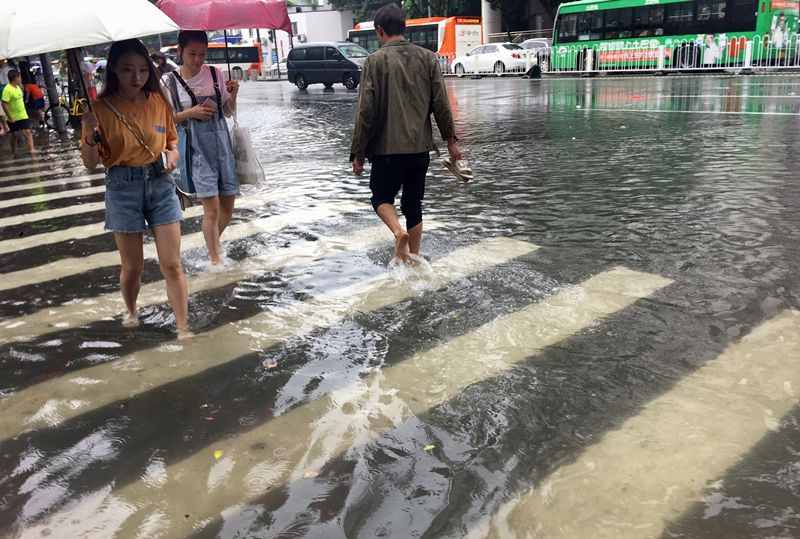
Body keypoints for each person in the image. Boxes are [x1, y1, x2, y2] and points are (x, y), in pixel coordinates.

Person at [80, 39, 190, 338]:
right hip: (121, 187)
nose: (136, 77)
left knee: (172, 264)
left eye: (143, 70)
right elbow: (90, 163)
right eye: (128, 70)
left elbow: (171, 141)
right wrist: (89, 134)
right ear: (114, 70)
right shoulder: (99, 109)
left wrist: (172, 154)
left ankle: (183, 328)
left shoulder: (158, 102)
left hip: (160, 183)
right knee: (133, 268)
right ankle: (131, 310)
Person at [350, 3, 462, 264]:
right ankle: (413, 257)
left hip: (386, 151)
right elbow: (441, 105)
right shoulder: (428, 58)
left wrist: (358, 152)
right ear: (404, 28)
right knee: (413, 205)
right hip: (419, 149)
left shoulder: (374, 61)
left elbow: (365, 112)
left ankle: (398, 233)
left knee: (380, 197)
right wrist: (451, 143)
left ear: (380, 31)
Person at [162, 30, 240, 268]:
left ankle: (211, 245)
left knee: (228, 205)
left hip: (221, 144)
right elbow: (163, 121)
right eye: (192, 54)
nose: (198, 60)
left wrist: (233, 95)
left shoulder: (216, 73)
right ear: (180, 52)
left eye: (202, 54)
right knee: (212, 208)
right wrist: (191, 113)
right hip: (195, 148)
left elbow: (227, 112)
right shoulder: (169, 82)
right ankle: (216, 260)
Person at [2, 70, 36, 157]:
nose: (21, 79)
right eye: (19, 77)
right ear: (15, 78)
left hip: (23, 115)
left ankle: (32, 151)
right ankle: (13, 151)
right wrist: (9, 116)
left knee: (28, 132)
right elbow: (4, 104)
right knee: (14, 135)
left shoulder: (18, 87)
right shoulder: (7, 89)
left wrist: (21, 87)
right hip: (13, 117)